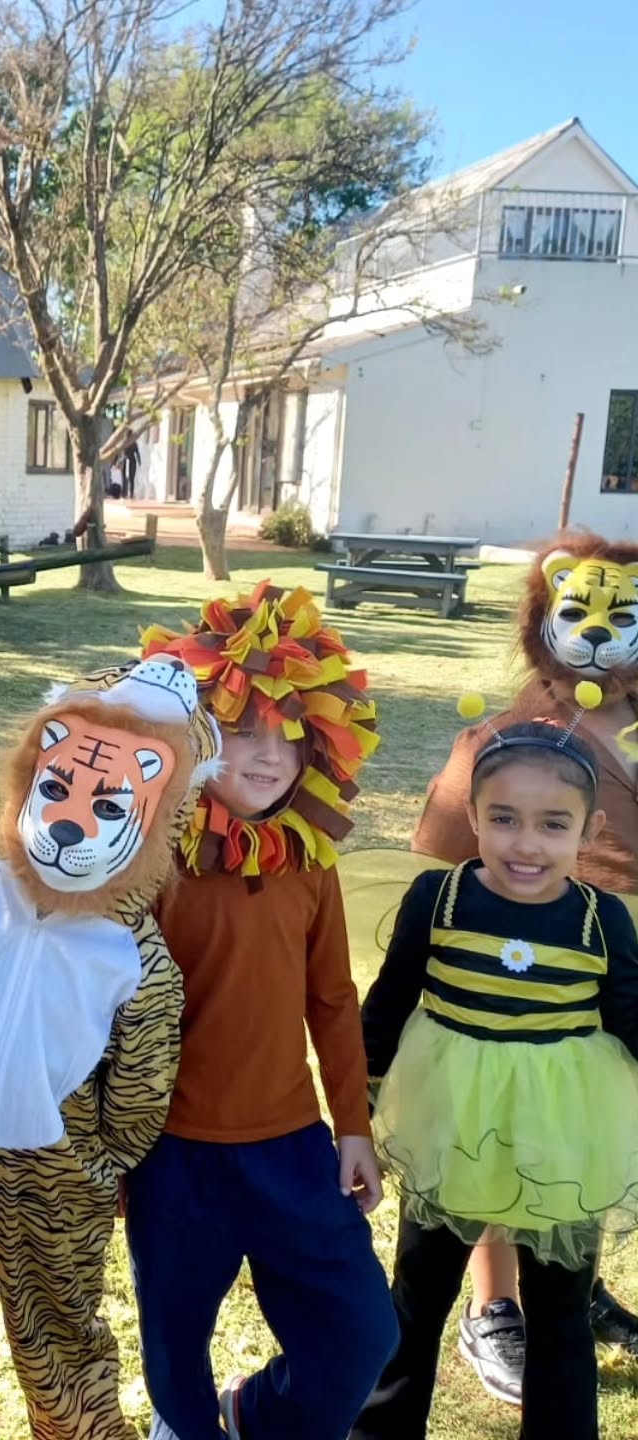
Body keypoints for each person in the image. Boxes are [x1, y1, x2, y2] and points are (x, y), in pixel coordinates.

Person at [0, 654, 219, 1440]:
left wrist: (91, 1165)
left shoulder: (137, 960)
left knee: (60, 1352)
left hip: (54, 1185)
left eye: (110, 806)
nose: (72, 820)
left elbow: (138, 1096)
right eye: (57, 788)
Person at [129, 583, 397, 1440]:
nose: (268, 755)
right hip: (170, 1153)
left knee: (363, 1334)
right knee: (175, 1349)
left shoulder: (309, 857)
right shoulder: (147, 857)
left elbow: (332, 997)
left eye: (289, 734)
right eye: (243, 728)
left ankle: (252, 1413)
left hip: (290, 1146)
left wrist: (352, 1125)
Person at [354, 719, 638, 1439]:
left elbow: (631, 1016)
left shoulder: (600, 920)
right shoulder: (439, 899)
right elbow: (387, 1004)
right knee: (418, 1294)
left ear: (590, 830)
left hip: (559, 1137)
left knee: (559, 1310)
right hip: (451, 1126)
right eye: (504, 819)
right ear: (474, 817)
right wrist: (357, 1104)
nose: (526, 844)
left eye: (553, 824)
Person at [411, 534, 638, 1394]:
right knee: (502, 1132)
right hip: (526, 960)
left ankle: (571, 1283)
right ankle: (494, 1306)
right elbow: (450, 843)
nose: (599, 632)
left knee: (580, 1131)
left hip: (616, 962)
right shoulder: (518, 729)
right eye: (578, 612)